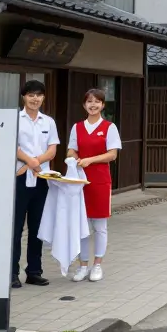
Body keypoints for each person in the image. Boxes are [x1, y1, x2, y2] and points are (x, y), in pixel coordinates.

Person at [67, 88, 120, 283]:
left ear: (103, 105)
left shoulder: (109, 127)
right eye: (89, 101)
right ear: (84, 105)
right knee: (81, 225)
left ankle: (97, 265)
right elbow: (71, 149)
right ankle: (82, 265)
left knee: (99, 225)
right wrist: (75, 158)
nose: (93, 104)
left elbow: (112, 154)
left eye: (97, 101)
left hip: (99, 180)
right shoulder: (77, 127)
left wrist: (90, 160)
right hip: (80, 181)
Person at [13, 79, 59, 289]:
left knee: (37, 227)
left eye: (39, 95)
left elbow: (52, 149)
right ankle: (12, 273)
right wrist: (29, 161)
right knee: (15, 228)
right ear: (24, 96)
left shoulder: (48, 121)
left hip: (41, 178)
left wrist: (35, 162)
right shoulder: (15, 118)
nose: (35, 99)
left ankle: (34, 271)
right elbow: (10, 144)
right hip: (19, 178)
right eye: (31, 95)